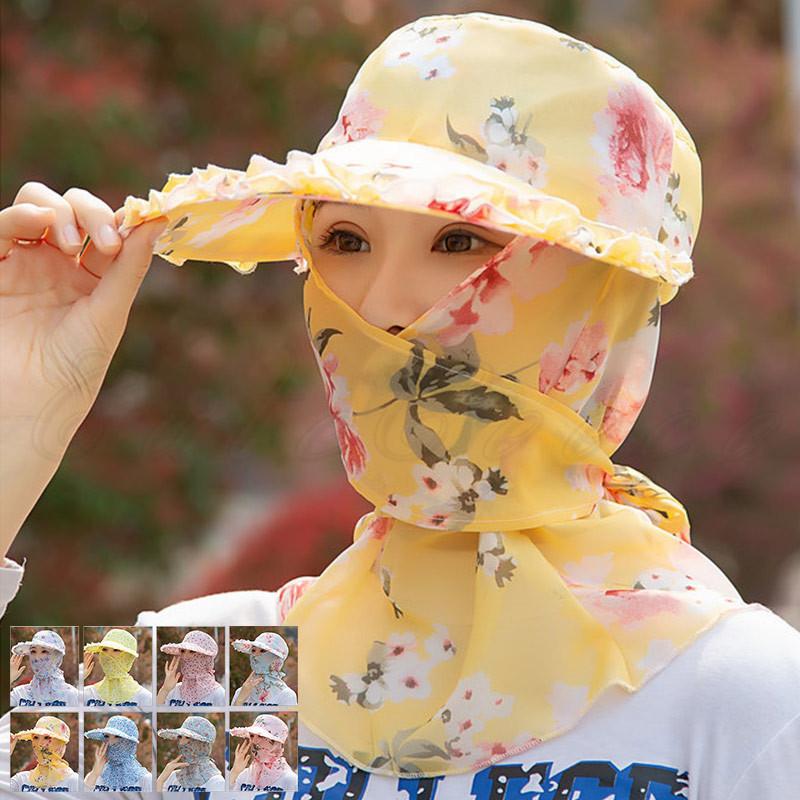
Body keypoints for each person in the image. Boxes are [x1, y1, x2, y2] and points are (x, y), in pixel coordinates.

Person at [1, 10, 800, 800]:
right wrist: (19, 420)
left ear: (603, 294)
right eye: (345, 241)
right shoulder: (201, 675)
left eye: (461, 242)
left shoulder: (740, 697)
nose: (379, 305)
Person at [82, 628, 153, 708]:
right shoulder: (87, 694)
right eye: (104, 649)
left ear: (129, 657)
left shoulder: (145, 698)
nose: (108, 655)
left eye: (116, 650)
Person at [9, 630, 80, 708]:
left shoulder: (72, 695)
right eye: (33, 651)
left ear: (57, 657)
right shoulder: (19, 694)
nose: (37, 658)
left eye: (44, 651)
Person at [229, 714, 298, 792]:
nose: (254, 741)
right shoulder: (244, 775)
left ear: (276, 743)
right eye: (252, 736)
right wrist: (235, 772)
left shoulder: (290, 781)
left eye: (261, 736)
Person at [8, 715, 79, 792]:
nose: (40, 743)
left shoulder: (73, 781)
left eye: (46, 738)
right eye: (35, 737)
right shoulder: (21, 780)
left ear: (60, 743)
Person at [156, 630, 226, 707]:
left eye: (192, 651)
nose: (185, 657)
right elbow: (155, 711)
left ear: (205, 657)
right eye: (182, 651)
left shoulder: (218, 694)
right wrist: (165, 690)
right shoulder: (173, 690)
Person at [155, 715, 225, 791]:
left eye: (188, 737)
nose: (181, 743)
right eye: (180, 737)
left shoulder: (216, 782)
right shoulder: (172, 777)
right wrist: (160, 781)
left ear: (203, 744)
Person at [83, 714, 152, 791]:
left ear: (129, 743)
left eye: (117, 736)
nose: (110, 742)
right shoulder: (95, 776)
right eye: (107, 736)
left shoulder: (145, 779)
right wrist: (95, 773)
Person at [231, 631, 298, 706]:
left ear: (276, 658)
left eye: (262, 651)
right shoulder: (241, 692)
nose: (255, 655)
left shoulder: (286, 695)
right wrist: (240, 699)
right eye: (253, 650)